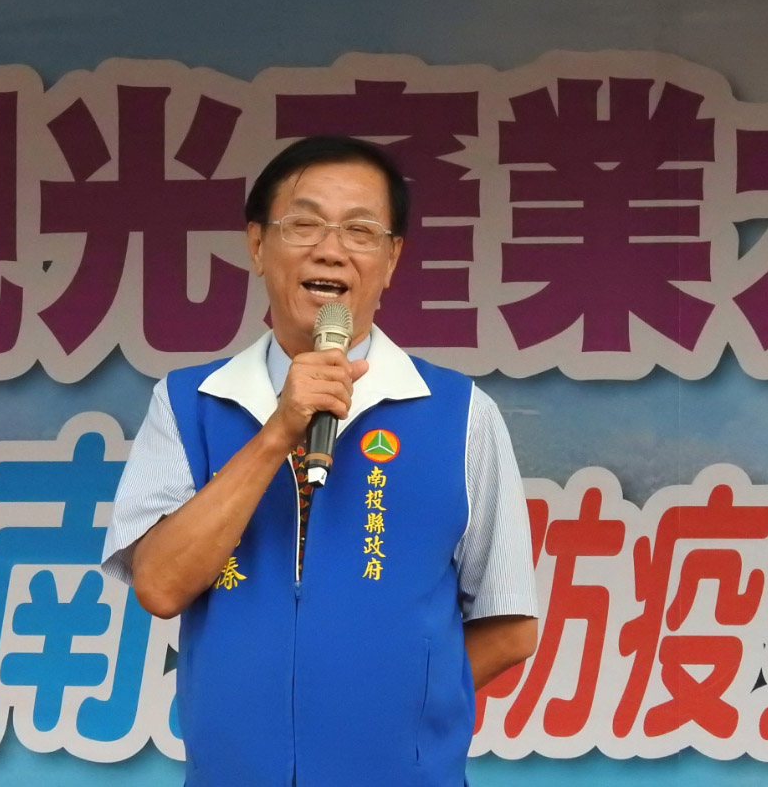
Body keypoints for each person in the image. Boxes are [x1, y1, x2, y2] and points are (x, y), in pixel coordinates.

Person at [102, 135, 538, 786]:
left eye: (360, 230)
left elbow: (510, 626)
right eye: (303, 223)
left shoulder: (460, 413)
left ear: (391, 259)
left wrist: (386, 701)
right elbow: (160, 586)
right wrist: (280, 427)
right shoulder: (190, 404)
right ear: (257, 244)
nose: (330, 248)